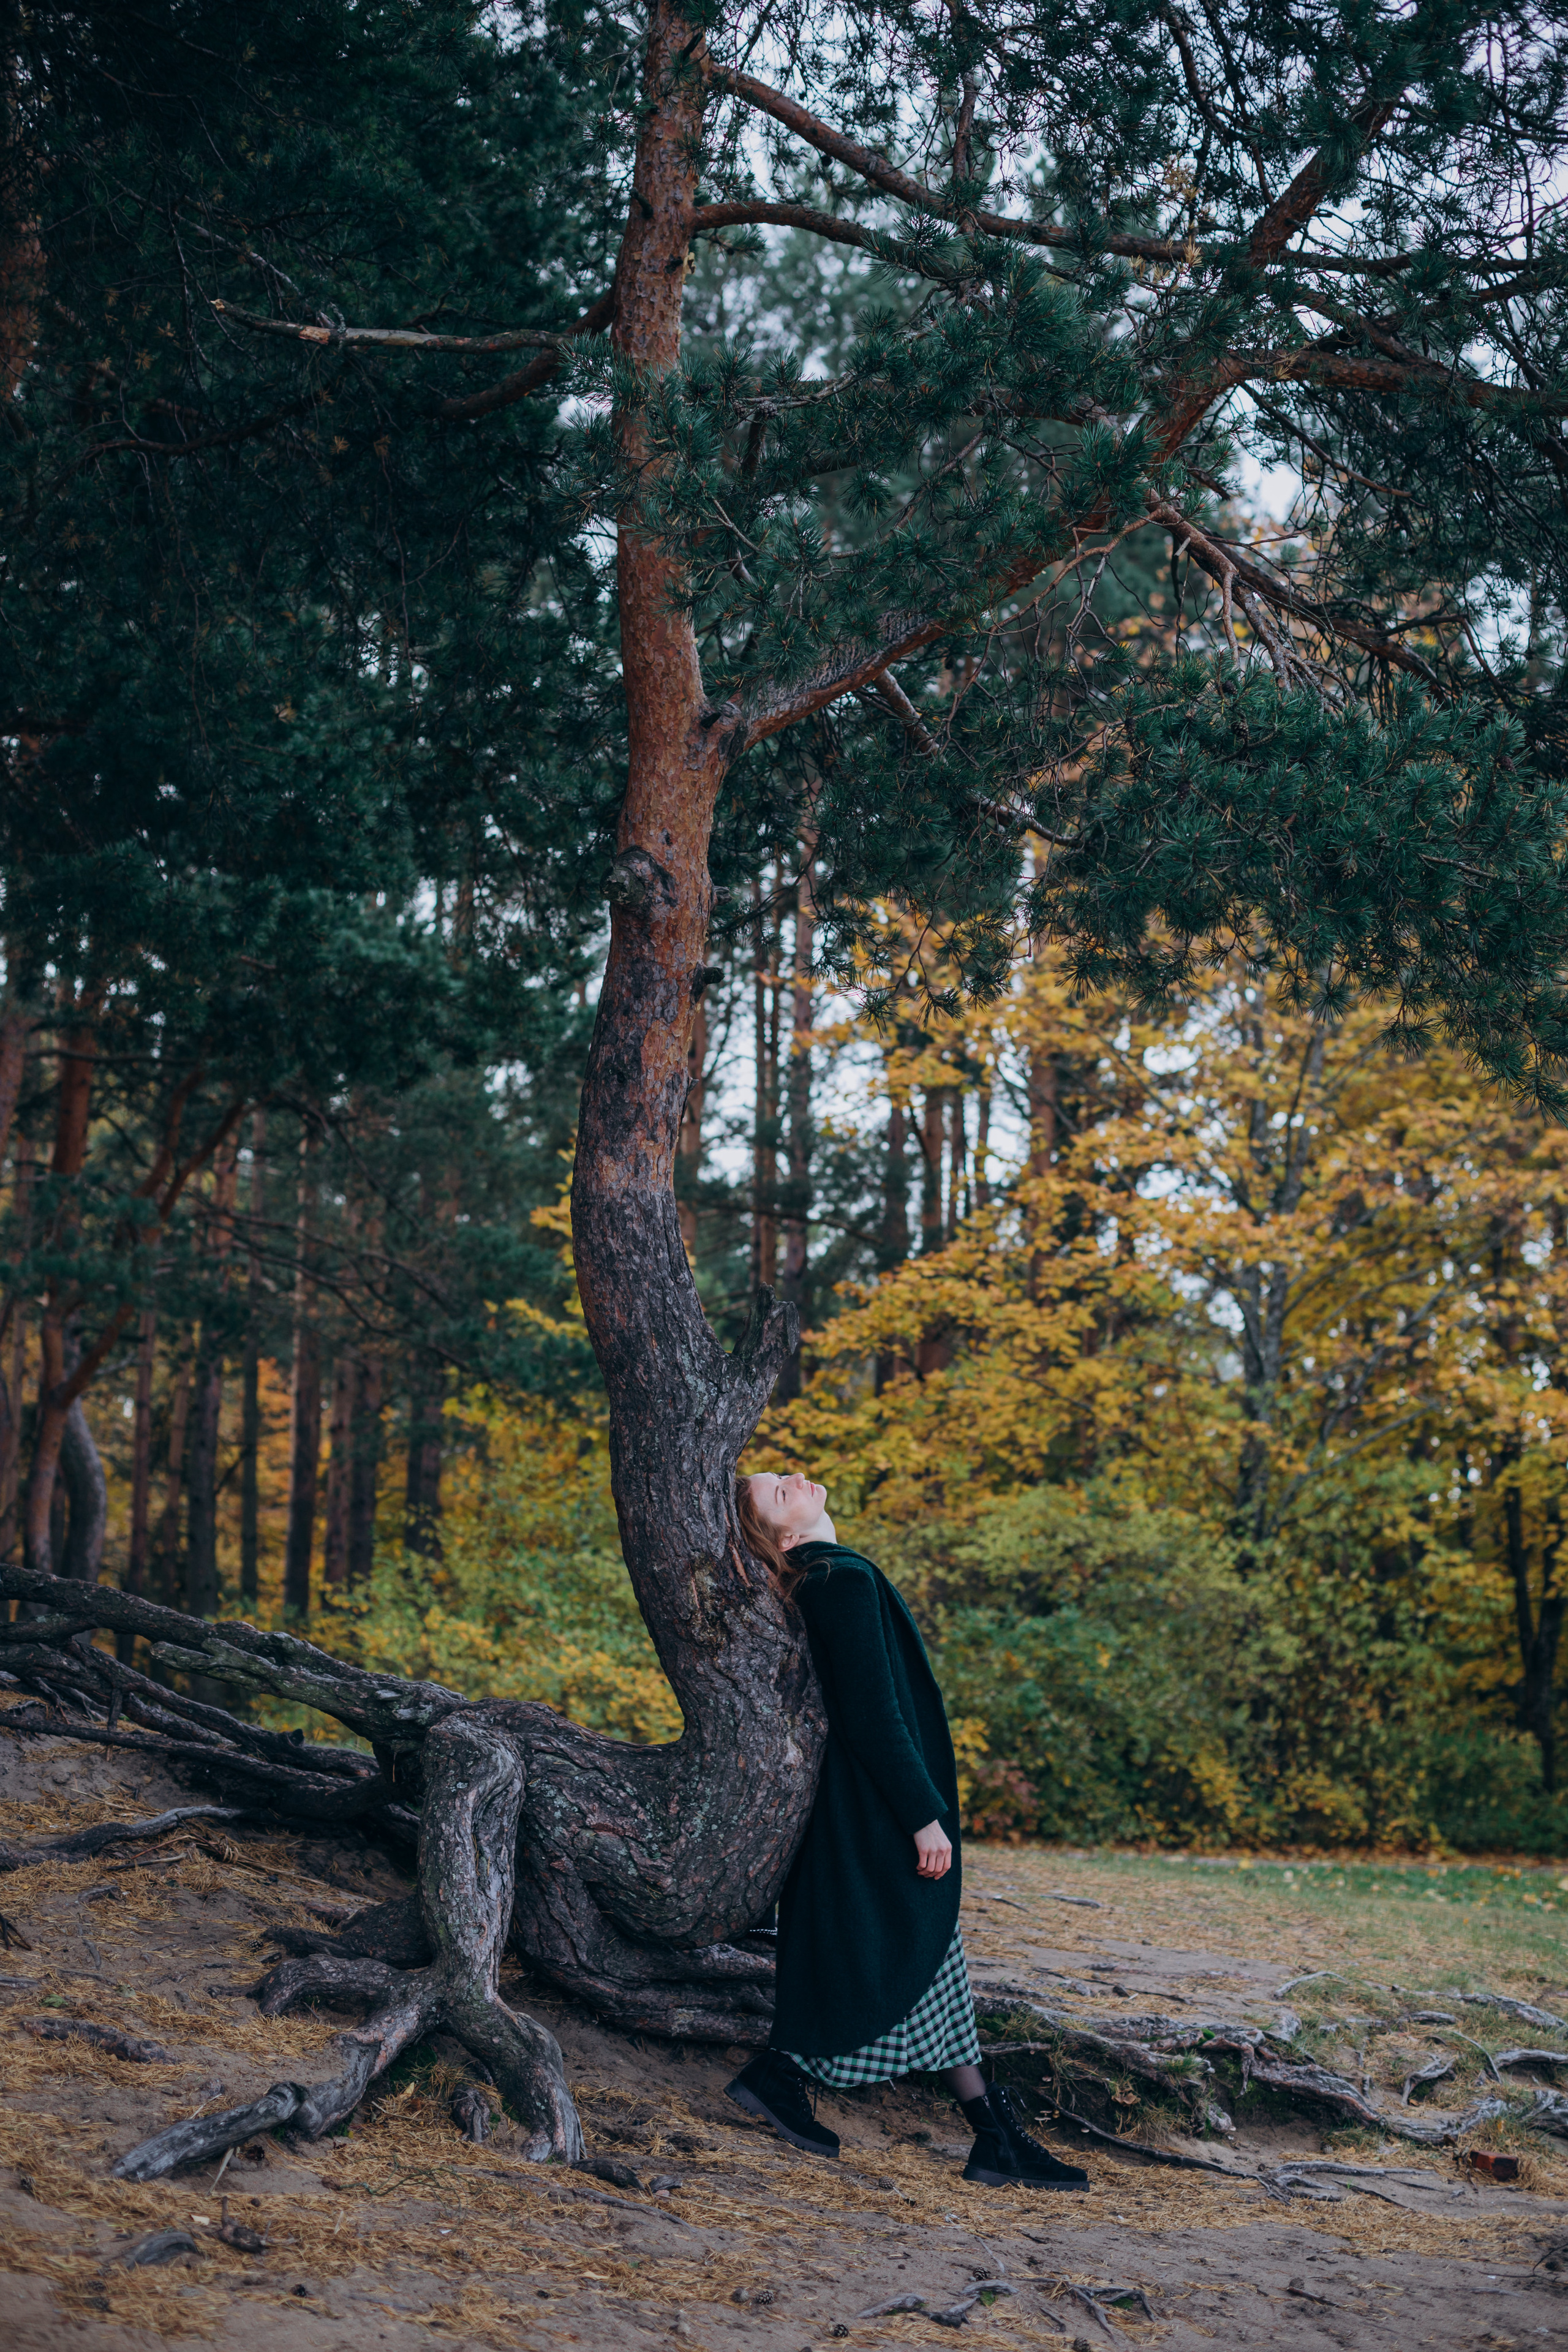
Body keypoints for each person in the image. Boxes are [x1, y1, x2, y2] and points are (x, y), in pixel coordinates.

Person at [724, 1469, 1088, 2192]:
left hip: (862, 1807)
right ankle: (787, 2069)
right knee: (912, 1951)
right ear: (786, 1536)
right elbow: (873, 1716)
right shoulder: (835, 1581)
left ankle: (993, 2137)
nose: (796, 1478)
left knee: (931, 1965)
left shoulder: (830, 1576)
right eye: (779, 1492)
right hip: (875, 1812)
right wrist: (924, 1818)